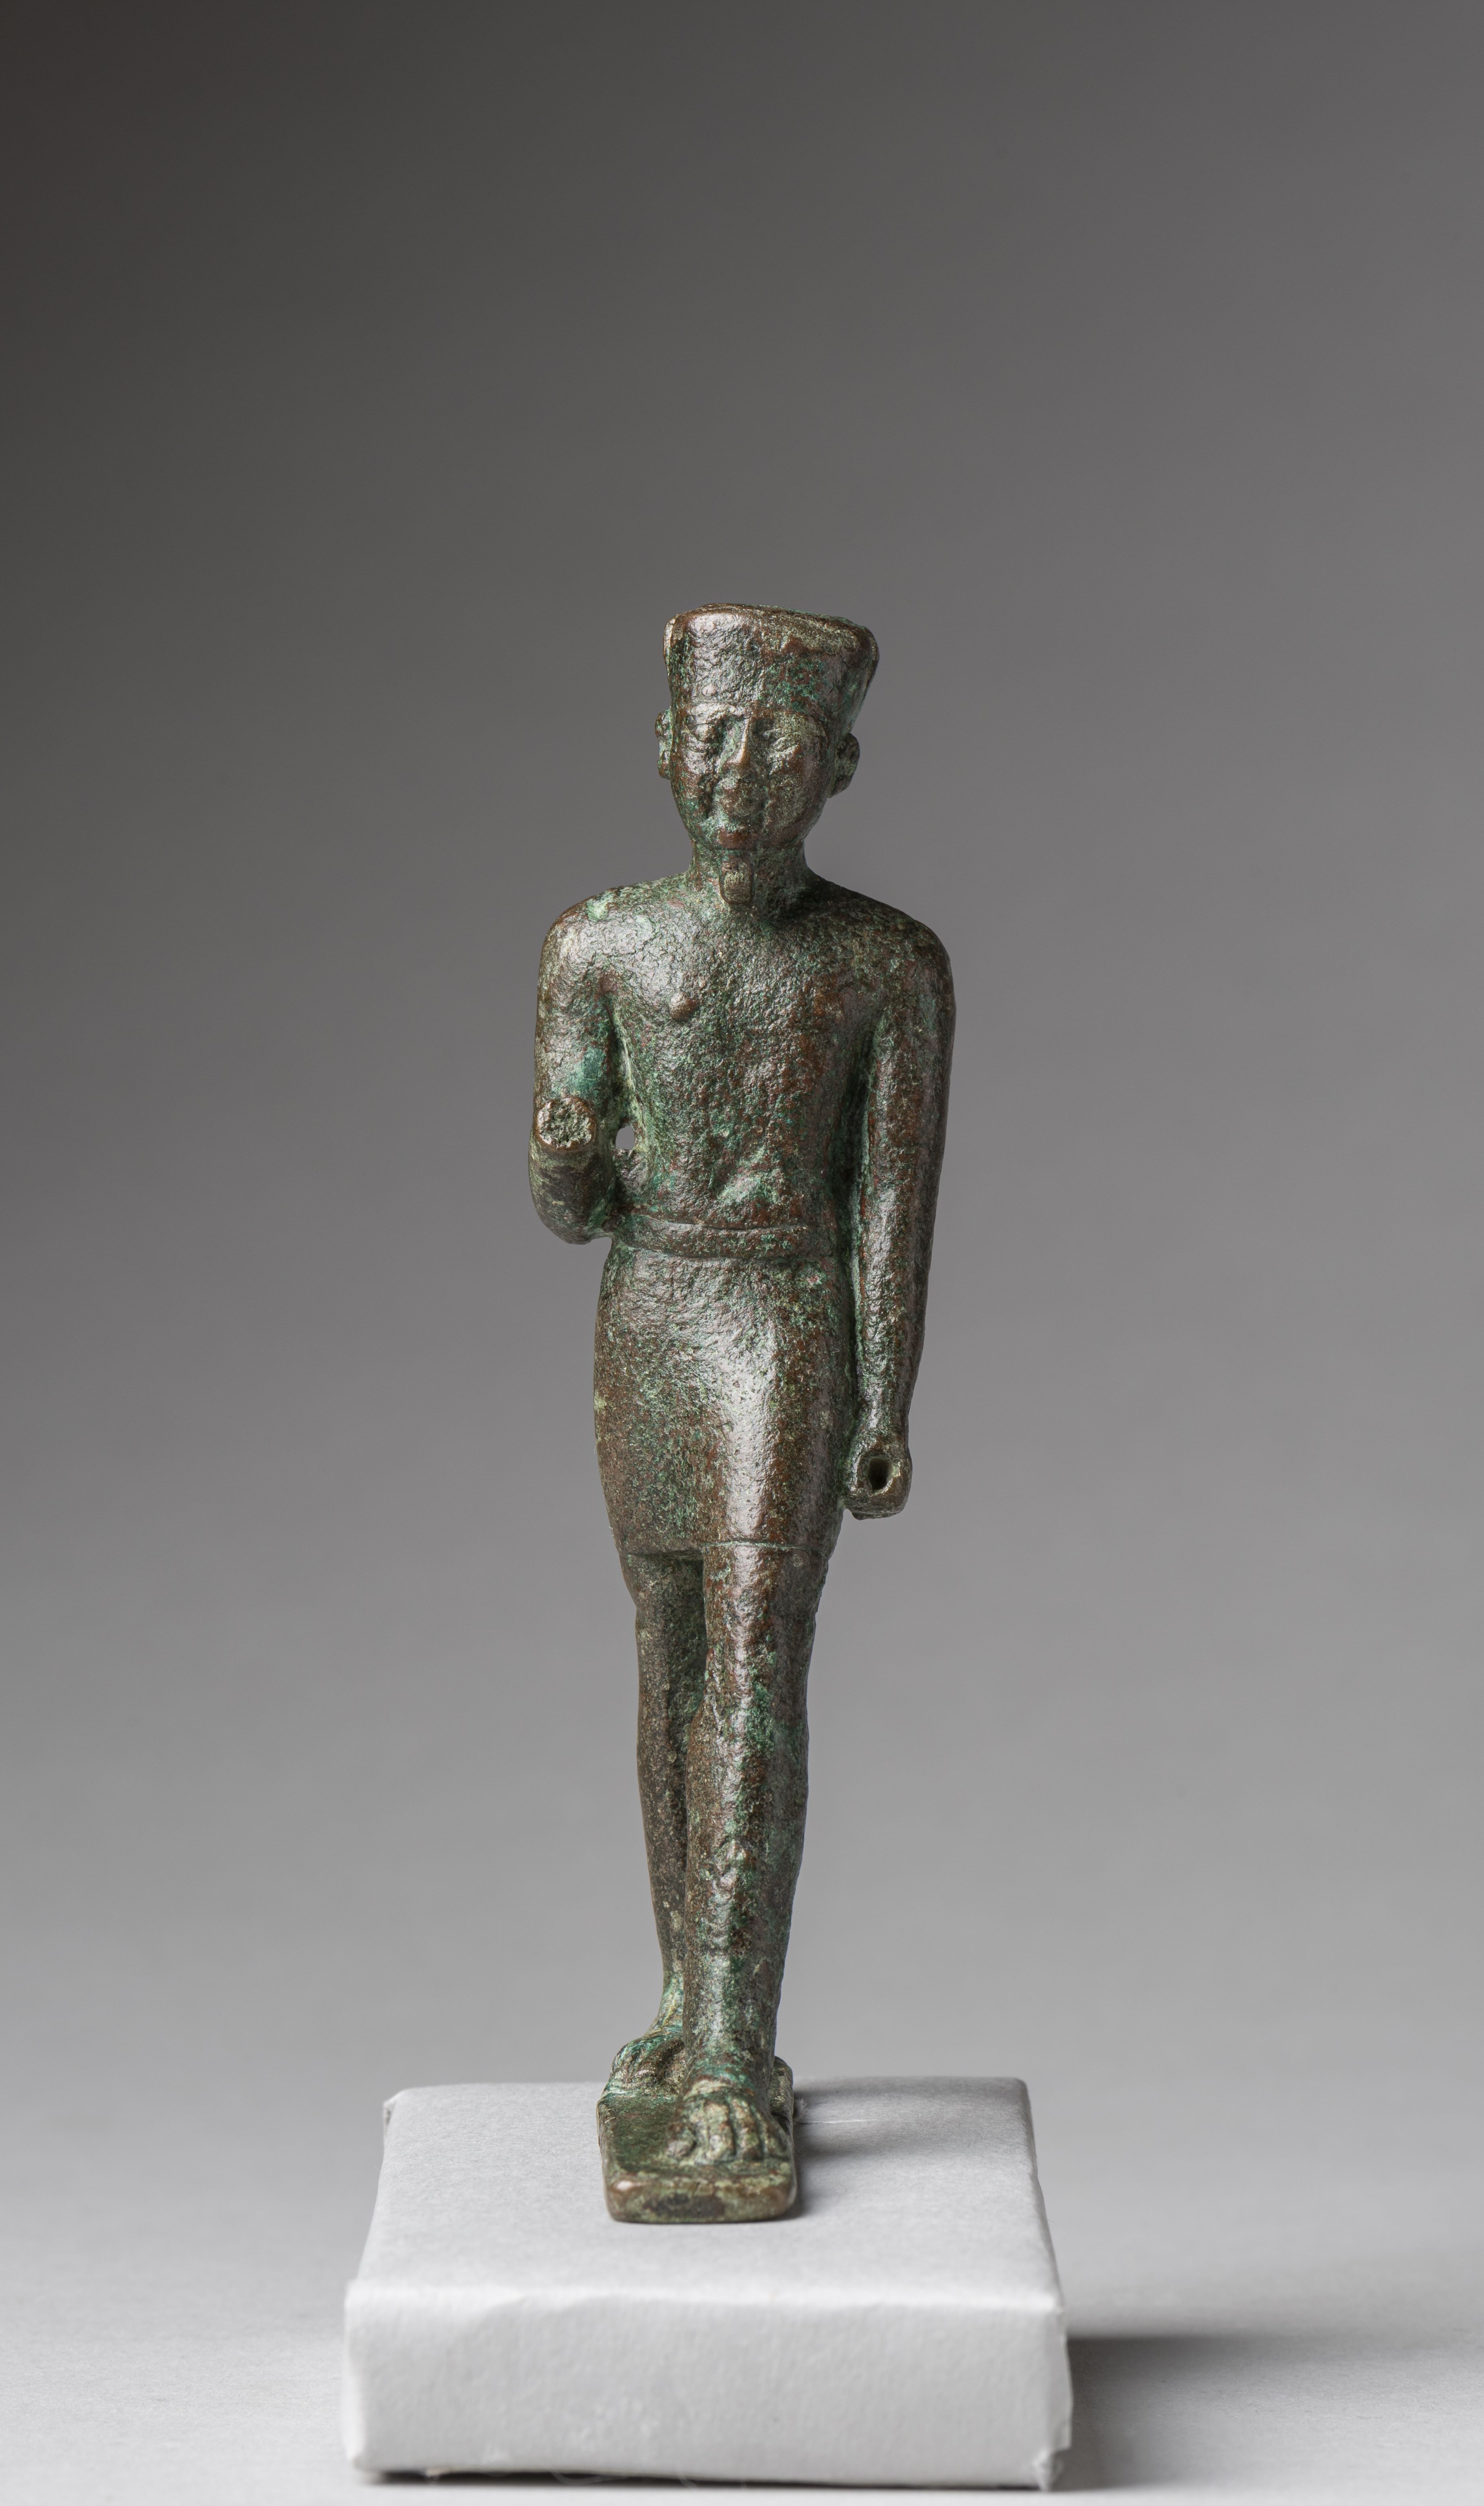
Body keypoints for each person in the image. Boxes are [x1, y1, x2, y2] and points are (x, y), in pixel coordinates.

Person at [530, 604, 952, 2194]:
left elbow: (890, 1199)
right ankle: (684, 2001)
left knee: (759, 1651)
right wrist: (569, 1155)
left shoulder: (884, 963)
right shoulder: (599, 947)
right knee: (671, 1652)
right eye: (716, 734)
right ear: (665, 749)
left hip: (783, 1314)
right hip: (654, 1307)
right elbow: (567, 1204)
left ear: (837, 765)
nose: (741, 768)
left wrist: (886, 1392)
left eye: (780, 741)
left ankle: (729, 2039)